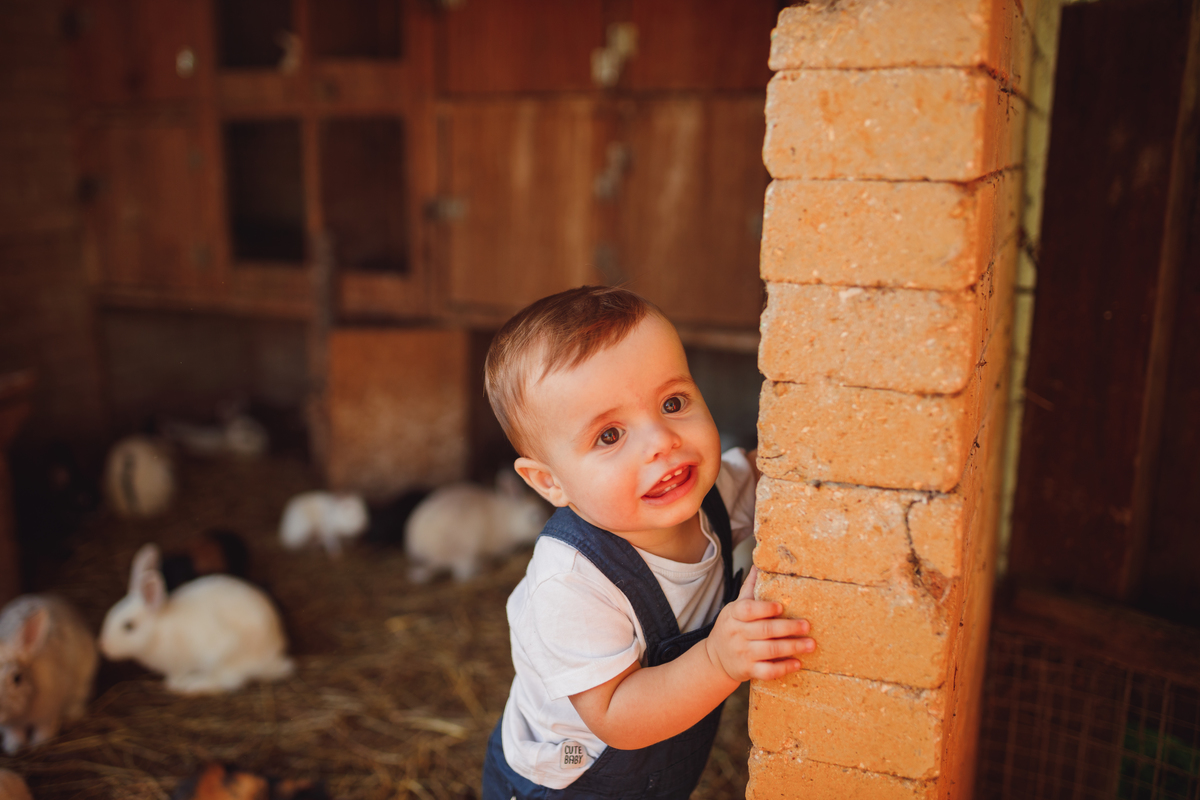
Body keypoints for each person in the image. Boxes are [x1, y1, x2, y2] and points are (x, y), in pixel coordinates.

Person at [481, 285, 815, 800]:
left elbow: (775, 477)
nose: (662, 441)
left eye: (673, 402)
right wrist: (718, 662)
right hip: (570, 772)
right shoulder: (570, 585)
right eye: (610, 436)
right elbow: (617, 717)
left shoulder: (716, 491)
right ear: (551, 483)